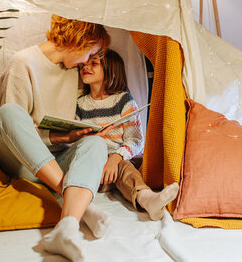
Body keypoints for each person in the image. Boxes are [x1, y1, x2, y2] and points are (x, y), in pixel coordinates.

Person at [0, 14, 111, 262]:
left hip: (54, 160)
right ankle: (81, 205)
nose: (87, 61)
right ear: (79, 41)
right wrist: (58, 138)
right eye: (90, 53)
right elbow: (12, 128)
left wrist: (75, 134)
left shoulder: (71, 73)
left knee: (96, 143)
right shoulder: (22, 63)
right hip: (20, 161)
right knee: (8, 112)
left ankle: (67, 226)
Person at [76, 49, 180, 220]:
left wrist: (116, 157)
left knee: (127, 170)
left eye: (93, 63)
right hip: (92, 162)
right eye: (83, 64)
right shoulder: (80, 104)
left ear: (111, 71)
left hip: (117, 163)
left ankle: (147, 199)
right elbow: (77, 138)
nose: (85, 67)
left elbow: (136, 139)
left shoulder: (123, 100)